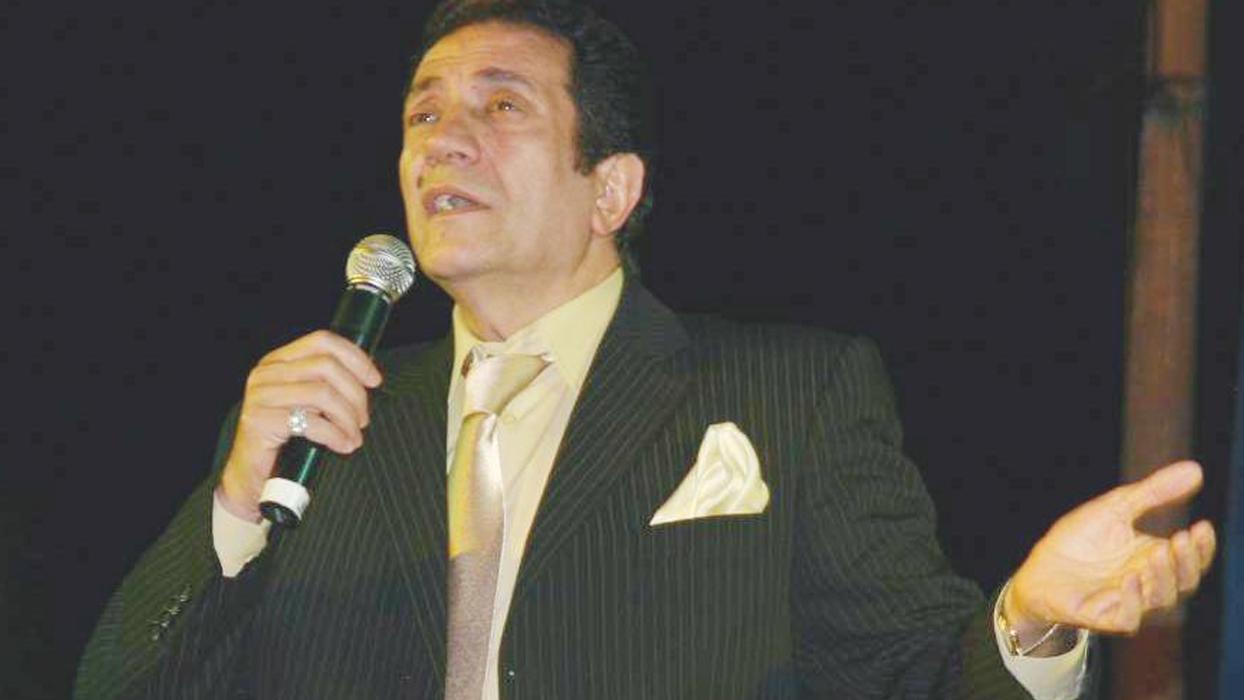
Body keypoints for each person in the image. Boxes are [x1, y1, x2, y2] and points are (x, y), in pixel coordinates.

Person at [75, 1, 1216, 698]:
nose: (442, 140)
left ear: (609, 190)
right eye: (423, 113)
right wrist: (235, 507)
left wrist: (1031, 615)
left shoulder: (793, 394)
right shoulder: (319, 427)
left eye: (500, 107)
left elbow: (911, 678)